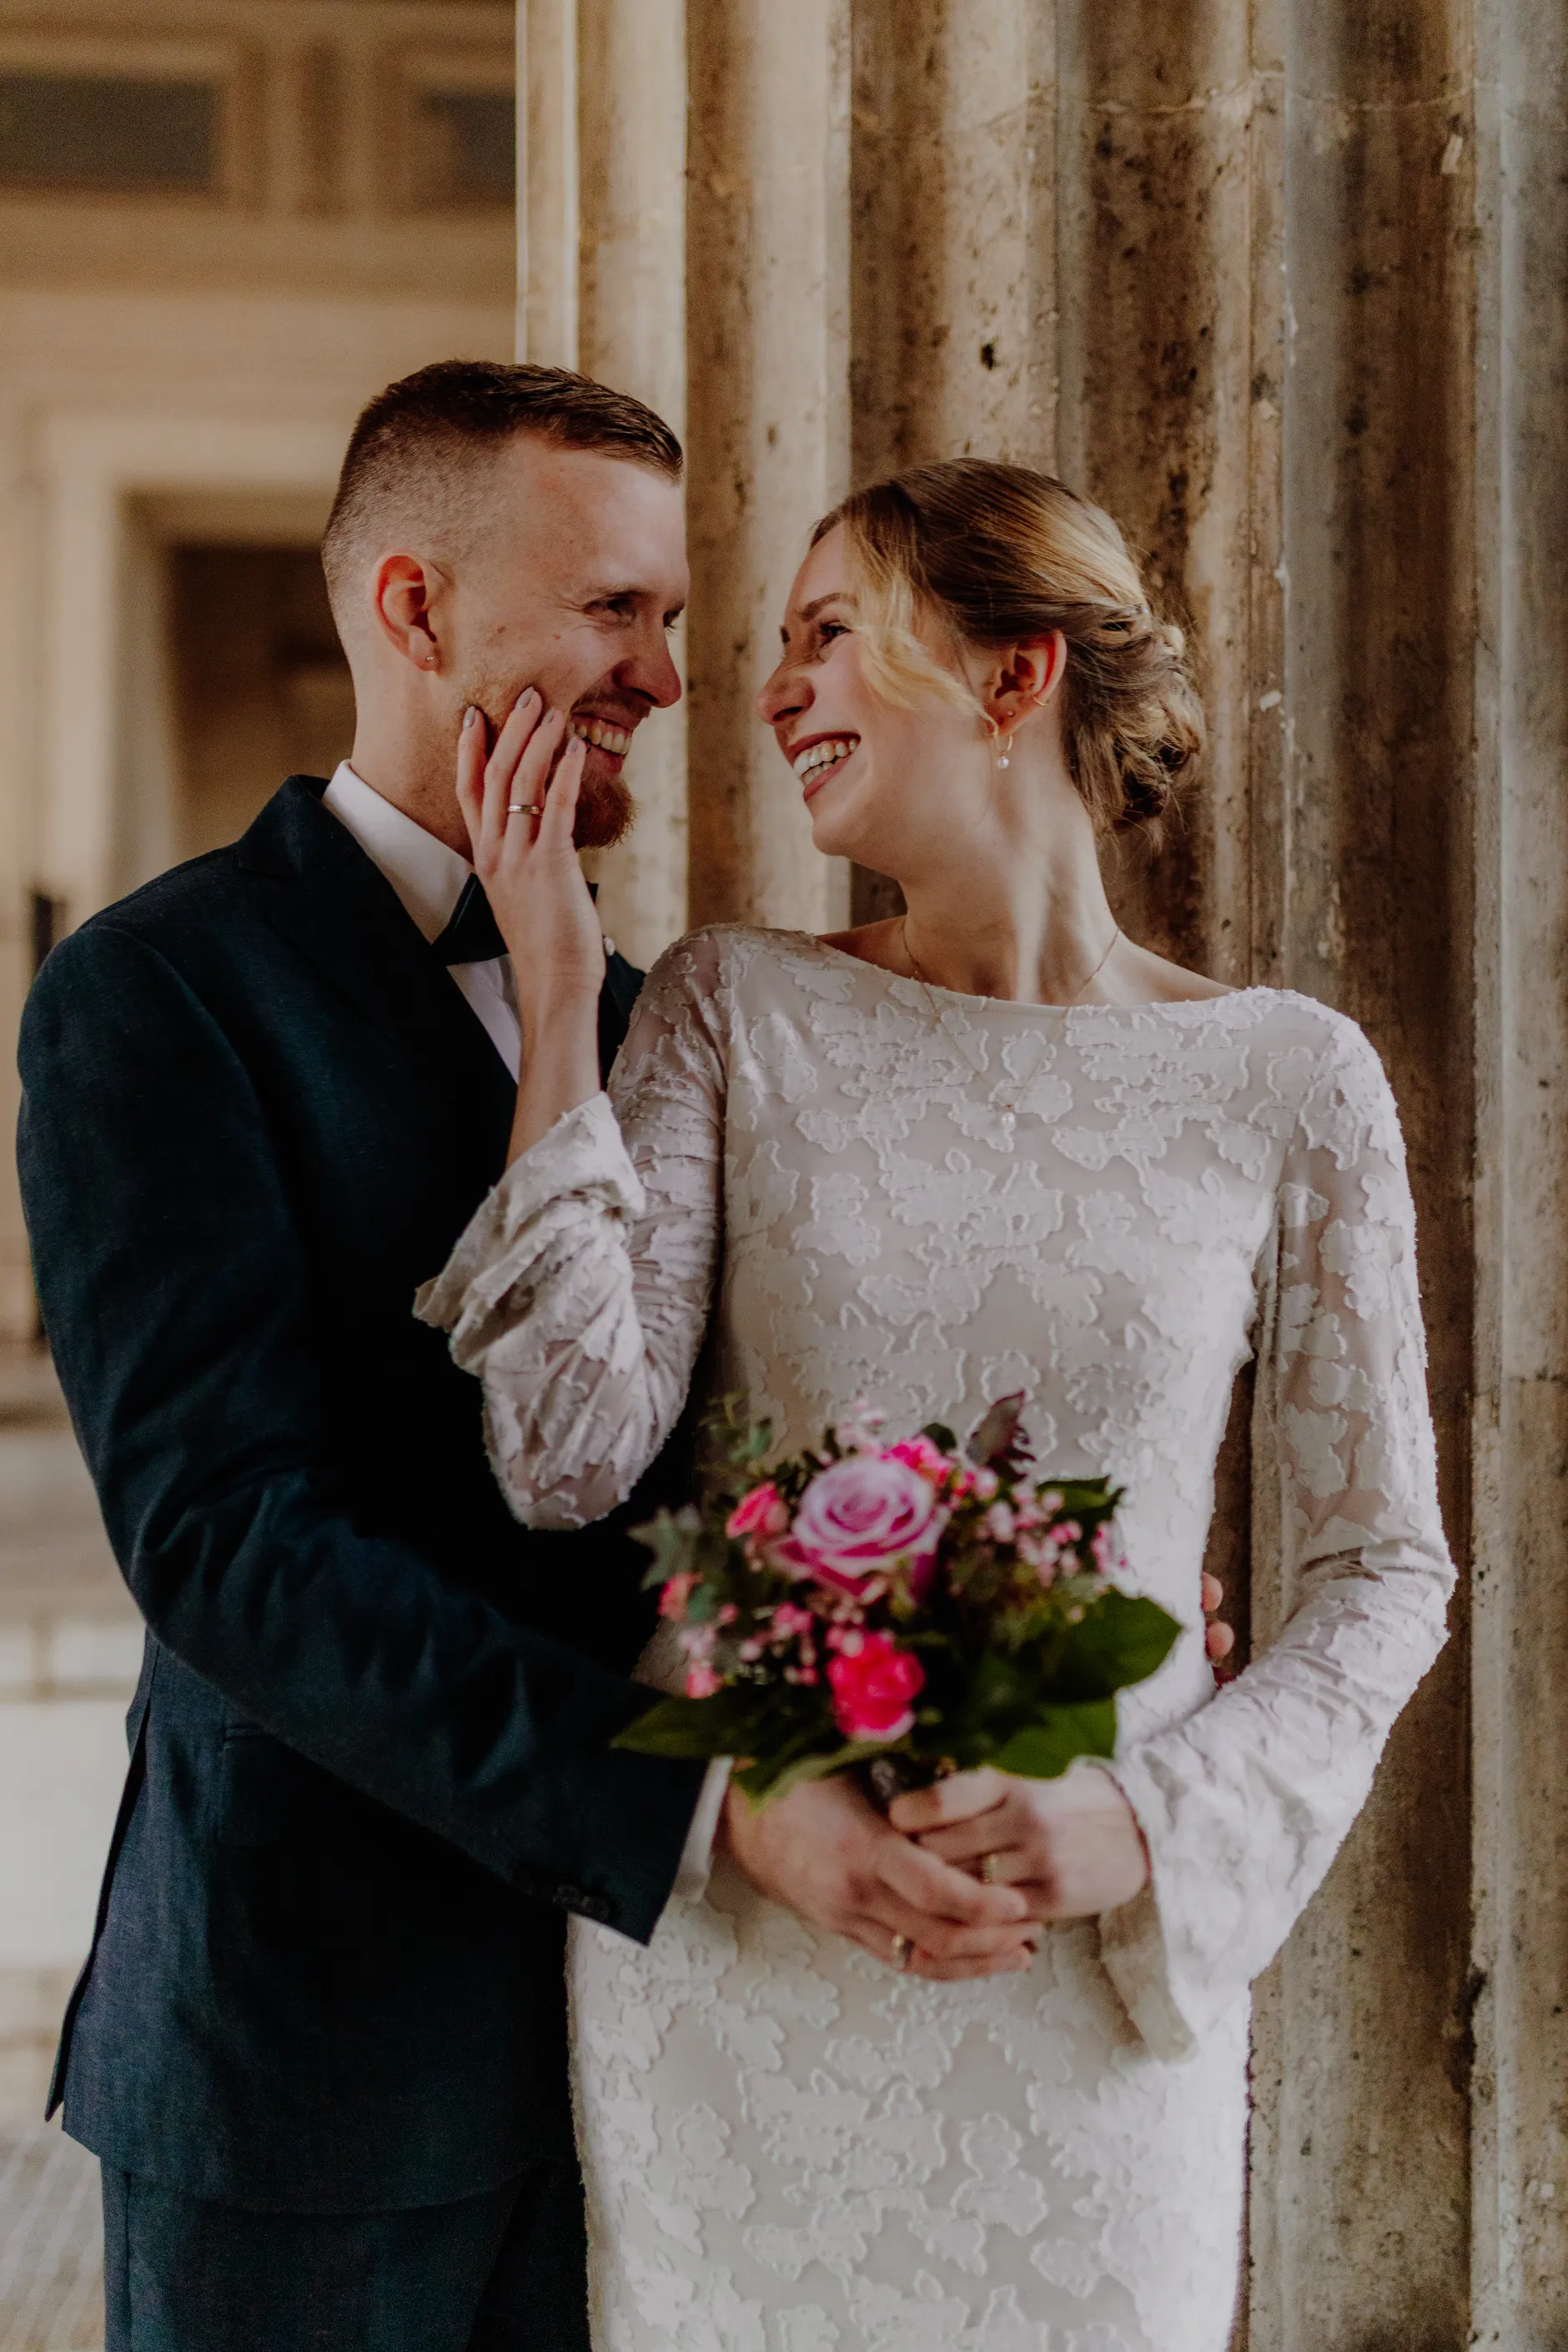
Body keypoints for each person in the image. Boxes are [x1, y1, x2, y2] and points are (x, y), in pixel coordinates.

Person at [14, 366, 1036, 2352]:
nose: (665, 673)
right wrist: (693, 1808)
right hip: (315, 2065)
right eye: (612, 610)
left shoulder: (647, 1014)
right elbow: (229, 1546)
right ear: (415, 610)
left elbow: (710, 1470)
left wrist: (994, 1624)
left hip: (651, 2051)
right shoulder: (158, 992)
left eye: (672, 615)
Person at [417, 458, 1456, 2349]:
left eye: (826, 632)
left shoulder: (1290, 1082)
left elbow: (1381, 1570)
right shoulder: (730, 1009)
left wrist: (1151, 1819)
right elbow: (563, 1458)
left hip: (1081, 1970)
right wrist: (560, 991)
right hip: (752, 1964)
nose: (771, 690)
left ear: (1012, 673)